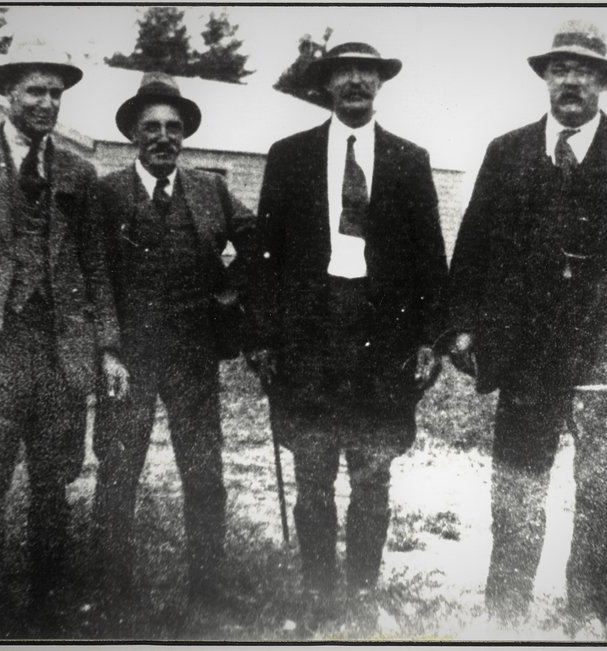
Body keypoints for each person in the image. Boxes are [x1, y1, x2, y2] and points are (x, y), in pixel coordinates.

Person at [447, 20, 607, 635]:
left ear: (604, 81)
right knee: (516, 483)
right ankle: (506, 609)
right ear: (545, 77)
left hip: (606, 355)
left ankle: (588, 612)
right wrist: (462, 326)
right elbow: (473, 245)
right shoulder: (507, 150)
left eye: (585, 71)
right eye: (560, 69)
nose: (571, 81)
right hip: (525, 353)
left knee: (600, 487)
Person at [0, 45, 128, 634]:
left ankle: (45, 607)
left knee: (52, 483)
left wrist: (105, 344)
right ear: (8, 95)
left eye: (56, 93)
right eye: (35, 91)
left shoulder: (79, 172)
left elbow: (95, 267)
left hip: (60, 352)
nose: (47, 103)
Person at [247, 42, 448, 633]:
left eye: (368, 73)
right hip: (309, 329)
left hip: (381, 332)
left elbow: (429, 256)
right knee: (312, 463)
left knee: (372, 467)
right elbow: (266, 252)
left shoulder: (410, 160)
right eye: (345, 73)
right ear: (327, 85)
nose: (357, 81)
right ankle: (316, 587)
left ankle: (360, 589)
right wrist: (261, 331)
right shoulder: (291, 156)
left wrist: (428, 336)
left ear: (380, 84)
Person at [90, 72, 259, 631]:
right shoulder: (106, 193)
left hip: (193, 353)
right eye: (152, 127)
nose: (164, 137)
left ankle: (208, 590)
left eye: (173, 127)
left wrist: (233, 291)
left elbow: (258, 239)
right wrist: (107, 349)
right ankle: (115, 592)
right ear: (134, 135)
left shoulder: (209, 189)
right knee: (120, 472)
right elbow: (90, 278)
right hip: (129, 357)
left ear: (184, 135)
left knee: (205, 473)